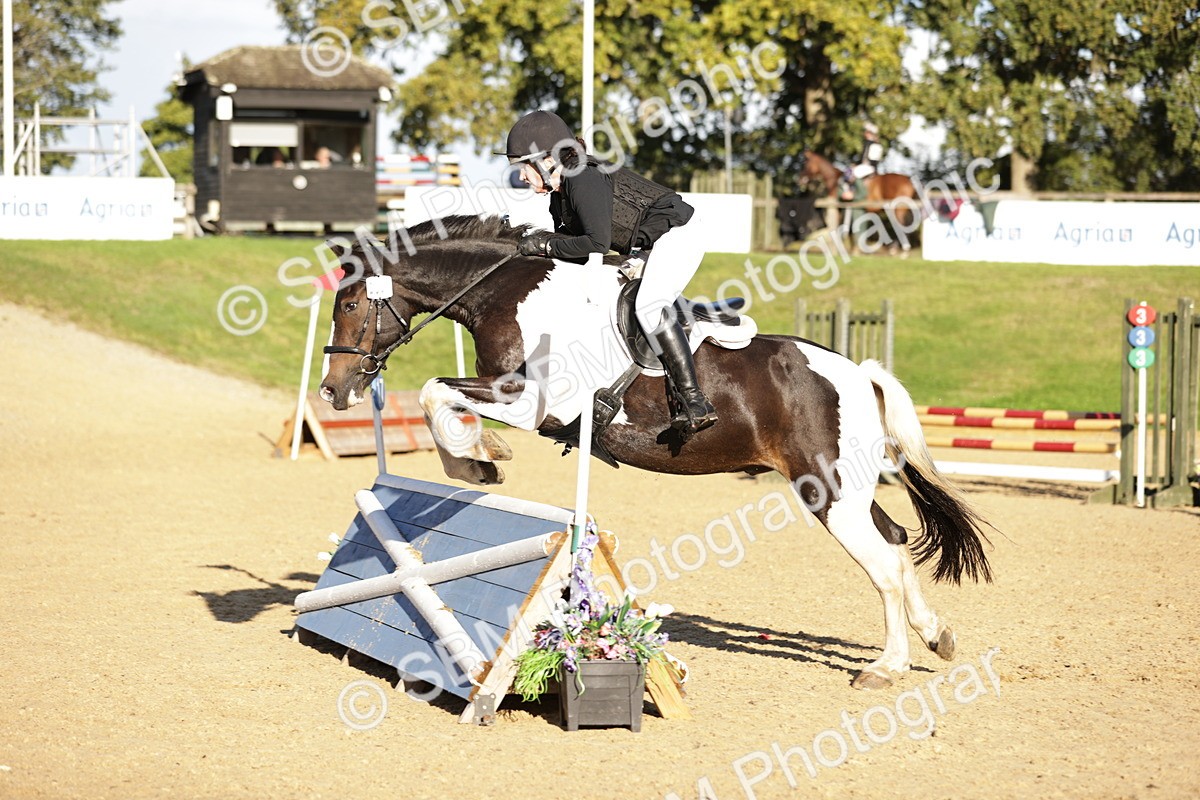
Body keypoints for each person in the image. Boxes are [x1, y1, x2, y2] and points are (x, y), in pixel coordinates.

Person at [498, 110, 717, 436]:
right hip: (645, 245)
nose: (522, 178)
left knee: (648, 305)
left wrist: (542, 245)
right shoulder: (559, 194)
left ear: (545, 160)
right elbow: (569, 253)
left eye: (523, 168)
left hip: (678, 234)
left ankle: (695, 401)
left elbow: (595, 244)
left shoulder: (581, 177)